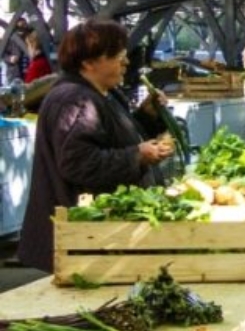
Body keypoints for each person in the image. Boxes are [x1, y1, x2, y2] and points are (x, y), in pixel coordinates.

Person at [18, 19, 175, 272]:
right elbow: (80, 164)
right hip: (80, 241)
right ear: (88, 62)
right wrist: (137, 156)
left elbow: (113, 137)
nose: (125, 62)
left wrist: (148, 116)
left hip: (94, 239)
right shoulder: (75, 100)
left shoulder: (101, 93)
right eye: (116, 56)